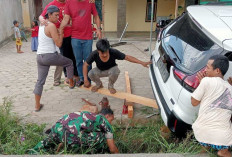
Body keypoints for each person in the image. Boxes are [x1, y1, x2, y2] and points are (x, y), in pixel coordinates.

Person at [33, 5, 76, 112]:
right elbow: (59, 44)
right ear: (50, 15)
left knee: (40, 81)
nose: (58, 17)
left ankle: (37, 106)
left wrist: (59, 29)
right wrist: (61, 33)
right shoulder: (51, 25)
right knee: (69, 62)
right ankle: (71, 83)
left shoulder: (43, 24)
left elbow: (49, 34)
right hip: (49, 56)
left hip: (40, 57)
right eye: (56, 15)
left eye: (59, 15)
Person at [191, 55, 232, 157]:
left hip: (201, 133)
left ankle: (204, 150)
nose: (205, 70)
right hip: (223, 138)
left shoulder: (206, 81)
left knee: (204, 141)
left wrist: (202, 84)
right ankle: (223, 152)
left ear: (217, 70)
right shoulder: (230, 88)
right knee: (224, 149)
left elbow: (194, 102)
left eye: (208, 67)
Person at [29, 108, 119, 154]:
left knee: (46, 143)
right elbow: (112, 149)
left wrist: (61, 142)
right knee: (102, 138)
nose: (111, 122)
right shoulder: (104, 122)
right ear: (107, 116)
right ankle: (94, 153)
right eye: (112, 119)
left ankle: (30, 153)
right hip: (71, 135)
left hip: (58, 125)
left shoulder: (89, 114)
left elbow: (72, 125)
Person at [83, 39, 152, 94]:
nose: (104, 55)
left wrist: (141, 62)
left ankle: (110, 86)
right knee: (90, 73)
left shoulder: (113, 52)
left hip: (111, 70)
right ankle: (99, 84)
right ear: (98, 51)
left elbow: (127, 57)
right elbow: (85, 65)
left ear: (108, 49)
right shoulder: (94, 54)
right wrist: (85, 80)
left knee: (115, 71)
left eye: (106, 52)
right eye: (102, 53)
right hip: (100, 70)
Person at [60, 0, 102, 87]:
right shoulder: (69, 2)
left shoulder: (90, 2)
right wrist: (60, 29)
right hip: (75, 37)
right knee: (78, 60)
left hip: (87, 37)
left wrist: (98, 29)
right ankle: (82, 79)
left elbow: (96, 16)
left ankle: (88, 79)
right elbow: (66, 18)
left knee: (88, 60)